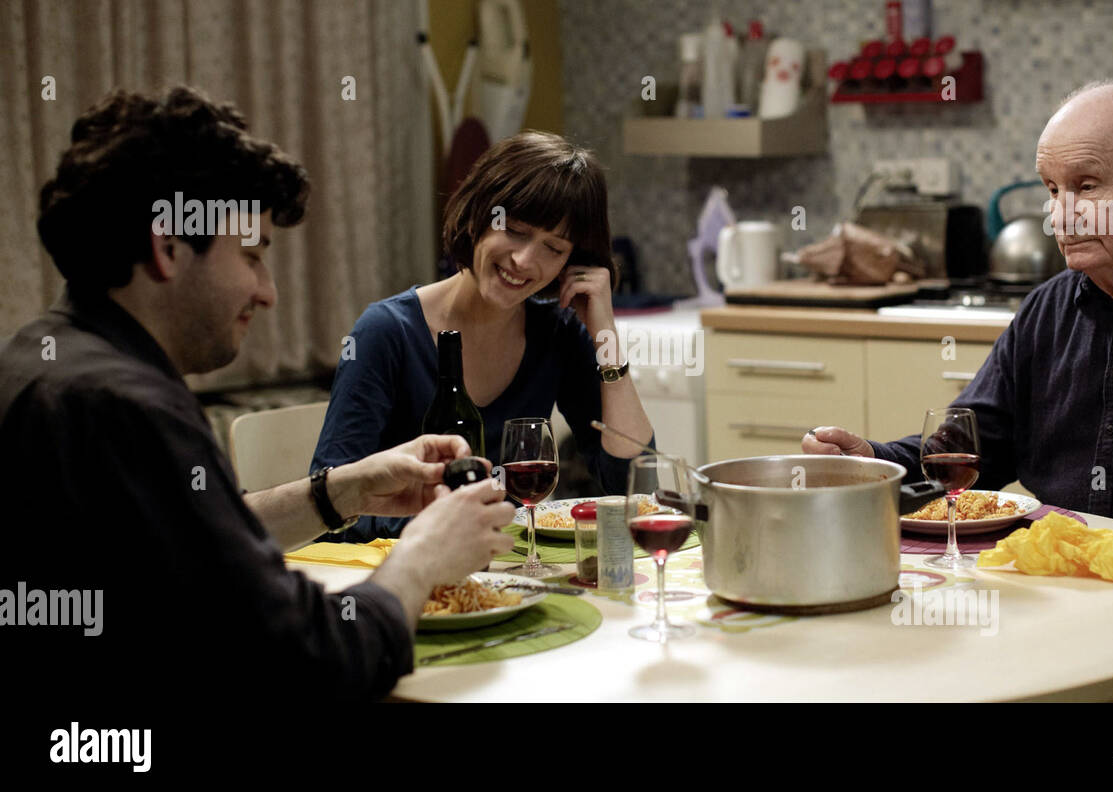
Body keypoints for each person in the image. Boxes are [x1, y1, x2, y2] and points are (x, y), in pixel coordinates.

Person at [0, 86, 515, 702]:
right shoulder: (128, 407)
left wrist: (341, 491)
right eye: (250, 255)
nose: (267, 292)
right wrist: (423, 558)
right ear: (168, 247)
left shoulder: (35, 359)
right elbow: (309, 660)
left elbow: (195, 543)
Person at [803, 81, 1113, 702]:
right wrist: (872, 464)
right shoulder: (1046, 309)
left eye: (1087, 186)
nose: (1061, 216)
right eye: (1052, 190)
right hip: (1057, 612)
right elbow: (971, 446)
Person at [312, 131, 654, 542]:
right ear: (478, 215)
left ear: (571, 261)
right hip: (404, 568)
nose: (524, 260)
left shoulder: (557, 332)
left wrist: (605, 334)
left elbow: (635, 486)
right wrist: (442, 527)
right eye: (516, 230)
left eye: (553, 248)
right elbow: (329, 511)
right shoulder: (386, 332)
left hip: (506, 566)